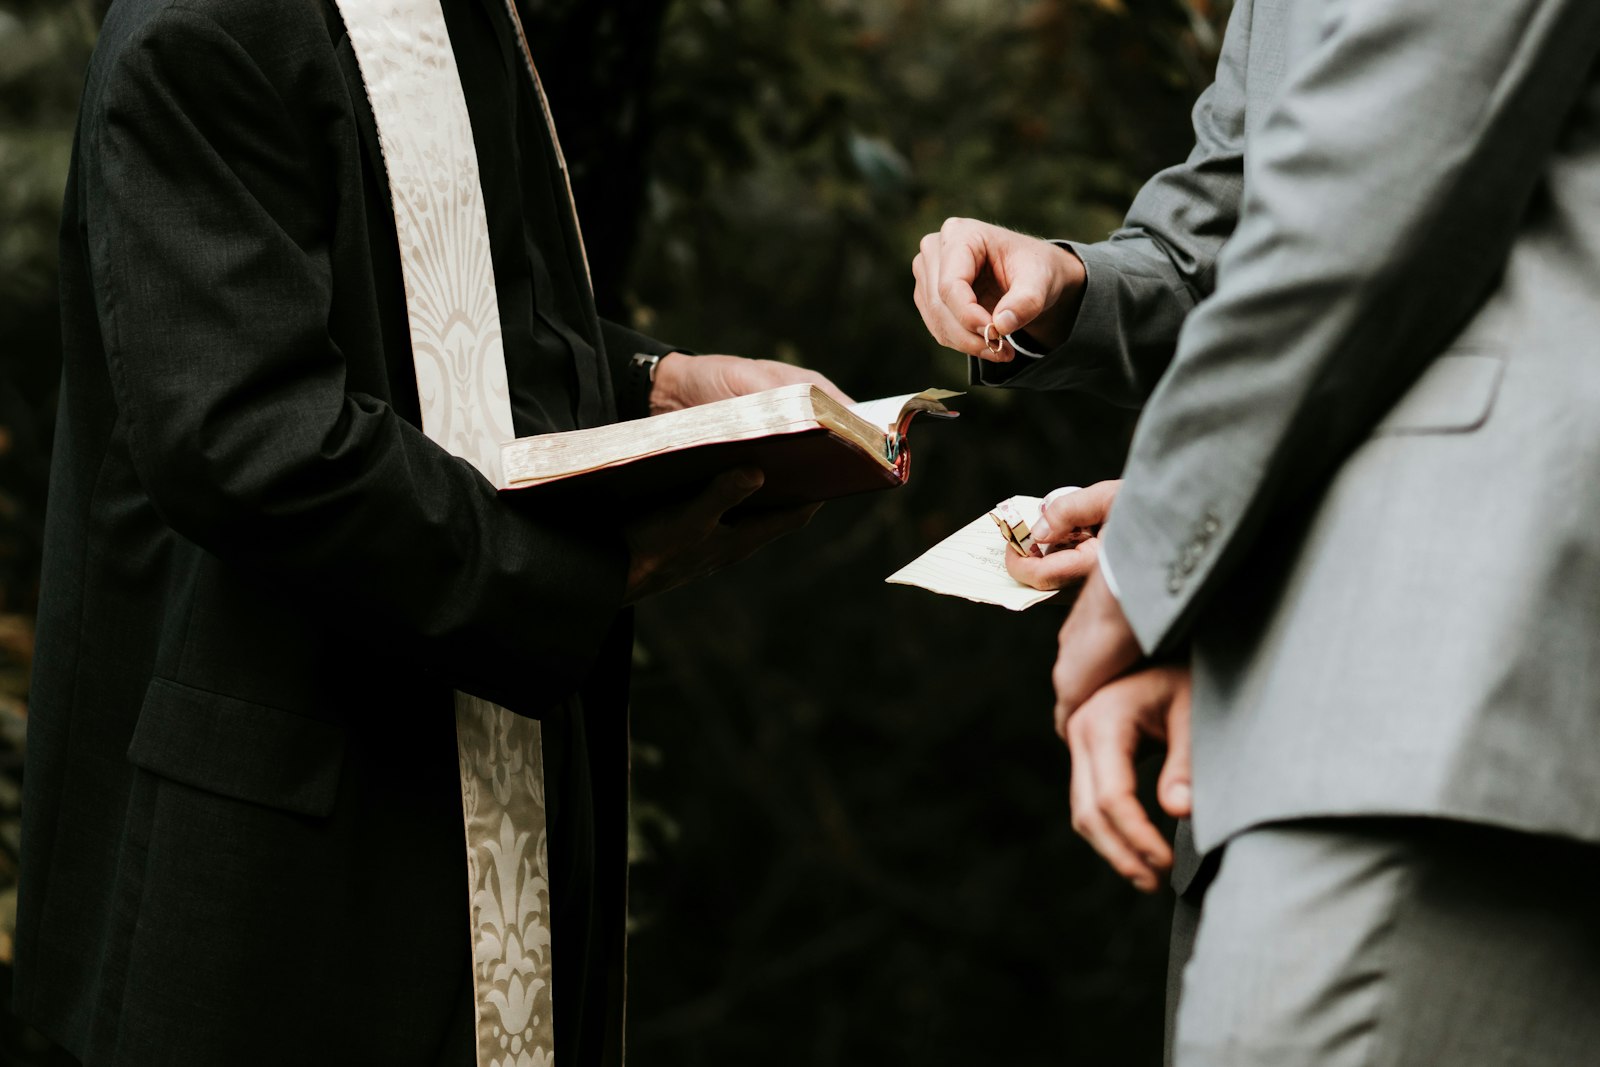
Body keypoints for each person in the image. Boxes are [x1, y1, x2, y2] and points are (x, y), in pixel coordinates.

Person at [13, 0, 845, 1063]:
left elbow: (443, 320)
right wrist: (587, 570)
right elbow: (248, 438)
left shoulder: (463, 15)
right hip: (285, 843)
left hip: (477, 772)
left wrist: (654, 384)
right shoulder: (205, 24)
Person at [918, 0, 1600, 1062]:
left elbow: (1374, 184)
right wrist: (1076, 285)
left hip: (1458, 674)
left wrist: (1154, 558)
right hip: (1356, 707)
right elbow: (1245, 222)